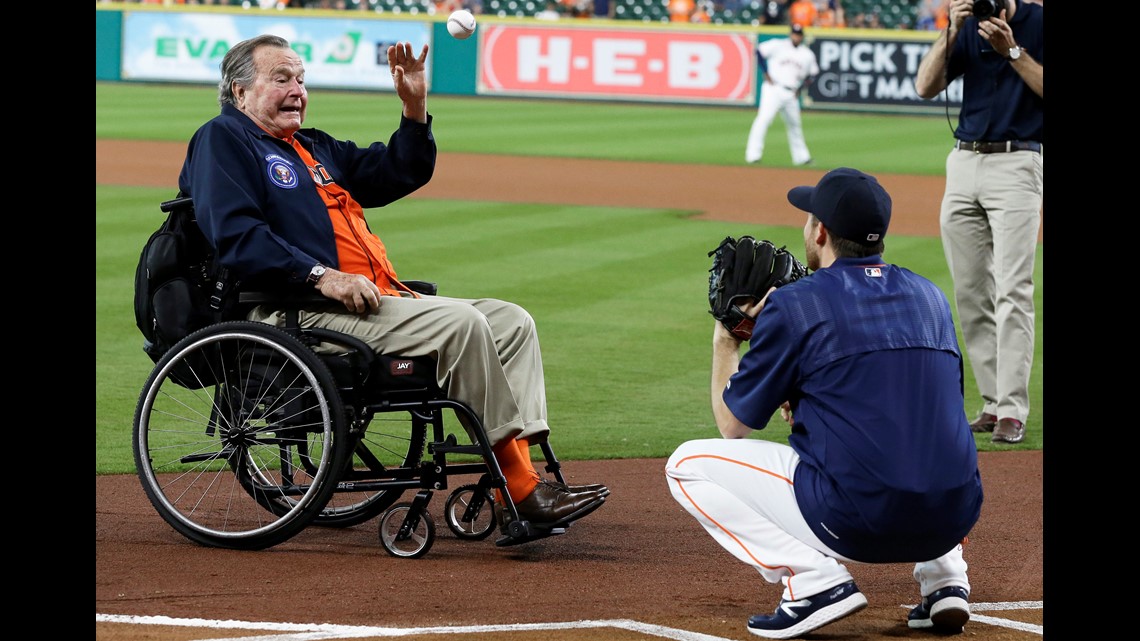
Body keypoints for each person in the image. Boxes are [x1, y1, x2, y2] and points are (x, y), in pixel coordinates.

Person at [178, 35, 609, 533]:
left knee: (511, 321)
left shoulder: (310, 147)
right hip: (290, 306)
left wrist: (414, 107)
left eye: (301, 79)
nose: (297, 90)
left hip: (359, 300)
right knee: (463, 324)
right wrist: (323, 276)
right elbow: (236, 235)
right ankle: (524, 490)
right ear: (240, 91)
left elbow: (397, 170)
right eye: (282, 79)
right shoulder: (223, 139)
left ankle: (519, 476)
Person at [665, 168, 984, 638]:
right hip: (954, 515)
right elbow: (932, 404)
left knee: (686, 464)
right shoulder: (929, 296)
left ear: (820, 232)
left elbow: (733, 426)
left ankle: (813, 582)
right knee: (922, 441)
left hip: (858, 523)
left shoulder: (797, 304)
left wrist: (726, 342)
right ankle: (946, 581)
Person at [914, 0, 1043, 444]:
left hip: (1018, 160)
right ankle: (991, 402)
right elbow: (925, 86)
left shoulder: (1038, 22)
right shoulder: (965, 25)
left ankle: (1011, 408)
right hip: (964, 160)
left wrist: (1013, 52)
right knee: (970, 292)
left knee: (1013, 289)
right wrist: (950, 29)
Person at [744, 23, 819, 166]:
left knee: (795, 125)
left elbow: (813, 74)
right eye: (793, 33)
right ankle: (753, 155)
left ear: (802, 36)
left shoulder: (807, 54)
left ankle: (801, 158)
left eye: (798, 34)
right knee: (763, 120)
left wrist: (801, 88)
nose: (795, 36)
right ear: (790, 34)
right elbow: (759, 52)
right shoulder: (778, 45)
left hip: (792, 93)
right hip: (774, 89)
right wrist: (765, 72)